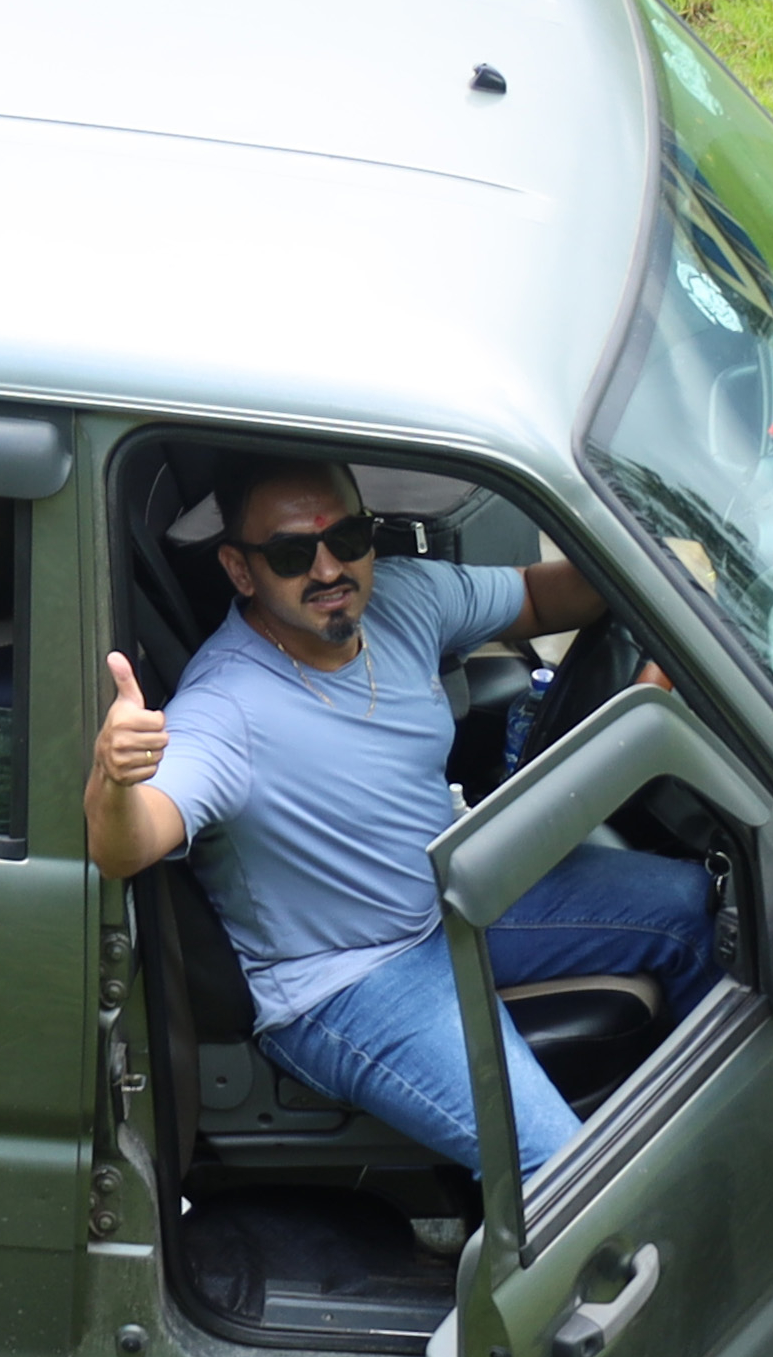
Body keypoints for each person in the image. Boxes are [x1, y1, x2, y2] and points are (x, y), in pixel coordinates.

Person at [81, 457, 728, 1179]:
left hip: (445, 892)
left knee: (693, 906)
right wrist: (114, 776)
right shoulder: (224, 709)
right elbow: (124, 845)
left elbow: (542, 601)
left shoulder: (402, 602)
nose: (330, 568)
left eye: (350, 537)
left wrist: (664, 566)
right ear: (240, 570)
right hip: (348, 981)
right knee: (562, 1175)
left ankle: (734, 1146)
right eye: (294, 553)